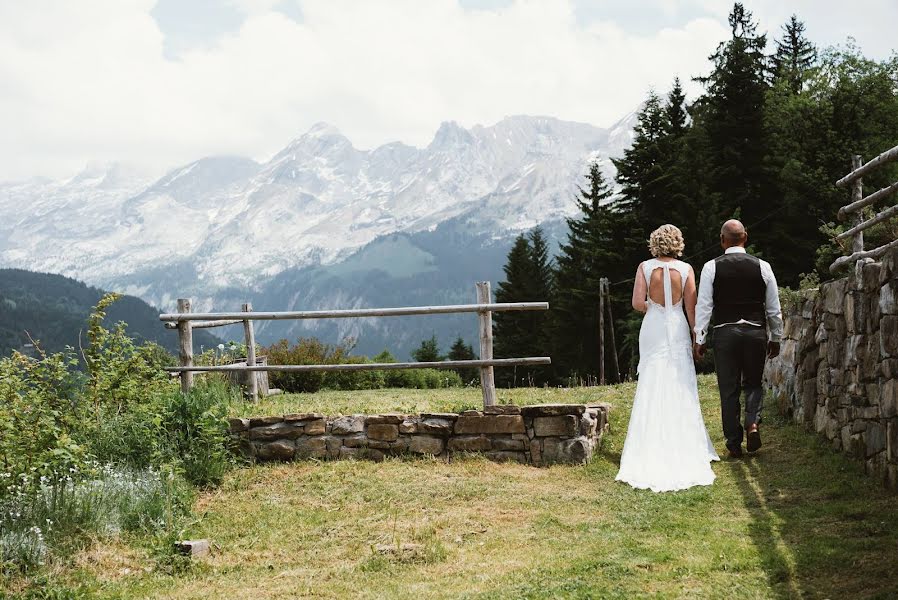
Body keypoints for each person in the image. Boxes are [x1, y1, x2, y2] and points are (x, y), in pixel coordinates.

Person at [616, 224, 719, 492]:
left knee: (651, 377)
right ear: (677, 244)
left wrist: (653, 305)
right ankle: (684, 443)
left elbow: (638, 303)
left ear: (655, 243)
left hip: (653, 326)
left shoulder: (644, 267)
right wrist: (699, 337)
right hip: (676, 325)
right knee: (680, 379)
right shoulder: (685, 270)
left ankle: (648, 443)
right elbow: (691, 306)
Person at [693, 219, 783, 459]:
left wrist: (699, 337)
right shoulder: (762, 266)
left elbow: (704, 306)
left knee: (728, 388)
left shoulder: (711, 267)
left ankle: (734, 443)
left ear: (722, 240)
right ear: (746, 237)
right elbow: (774, 308)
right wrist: (776, 337)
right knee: (753, 382)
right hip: (755, 332)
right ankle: (752, 422)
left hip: (725, 332)